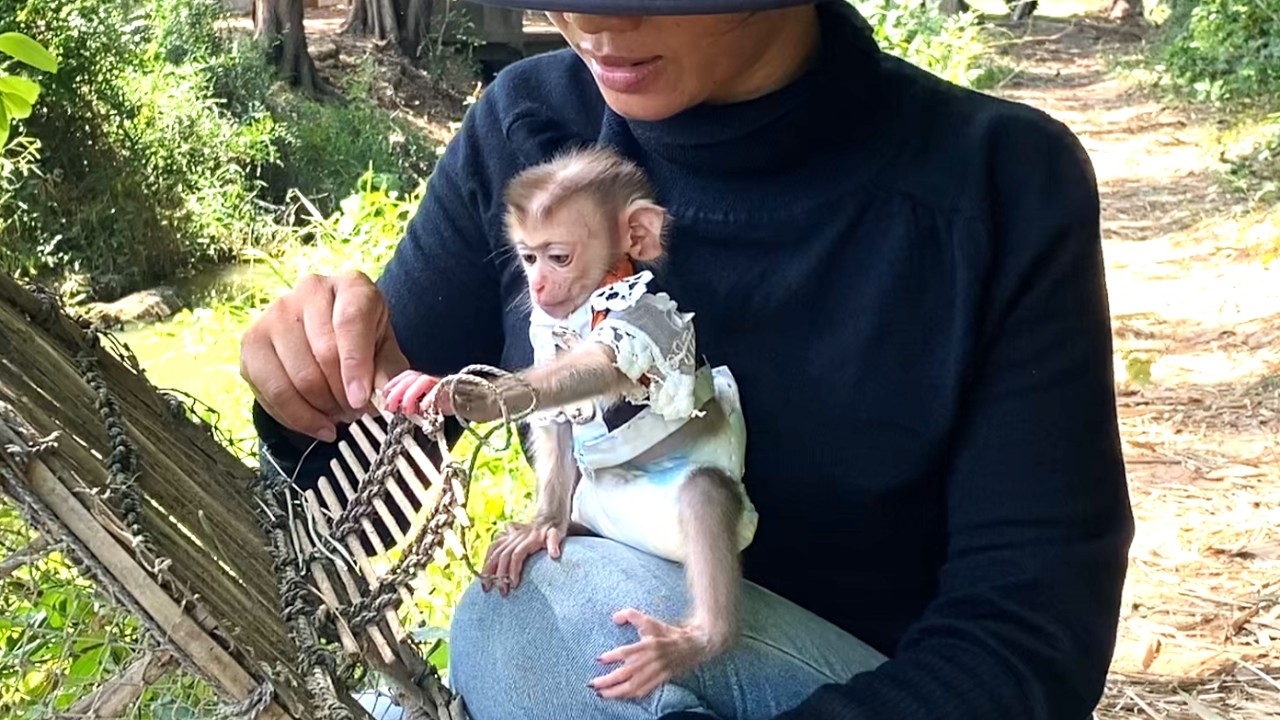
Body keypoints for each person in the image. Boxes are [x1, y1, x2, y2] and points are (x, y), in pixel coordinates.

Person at [239, 1, 1135, 718]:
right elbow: (366, 507)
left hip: (877, 689)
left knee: (558, 608)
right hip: (606, 674)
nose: (593, 18)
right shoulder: (531, 130)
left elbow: (1030, 633)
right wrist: (316, 386)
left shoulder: (996, 184)